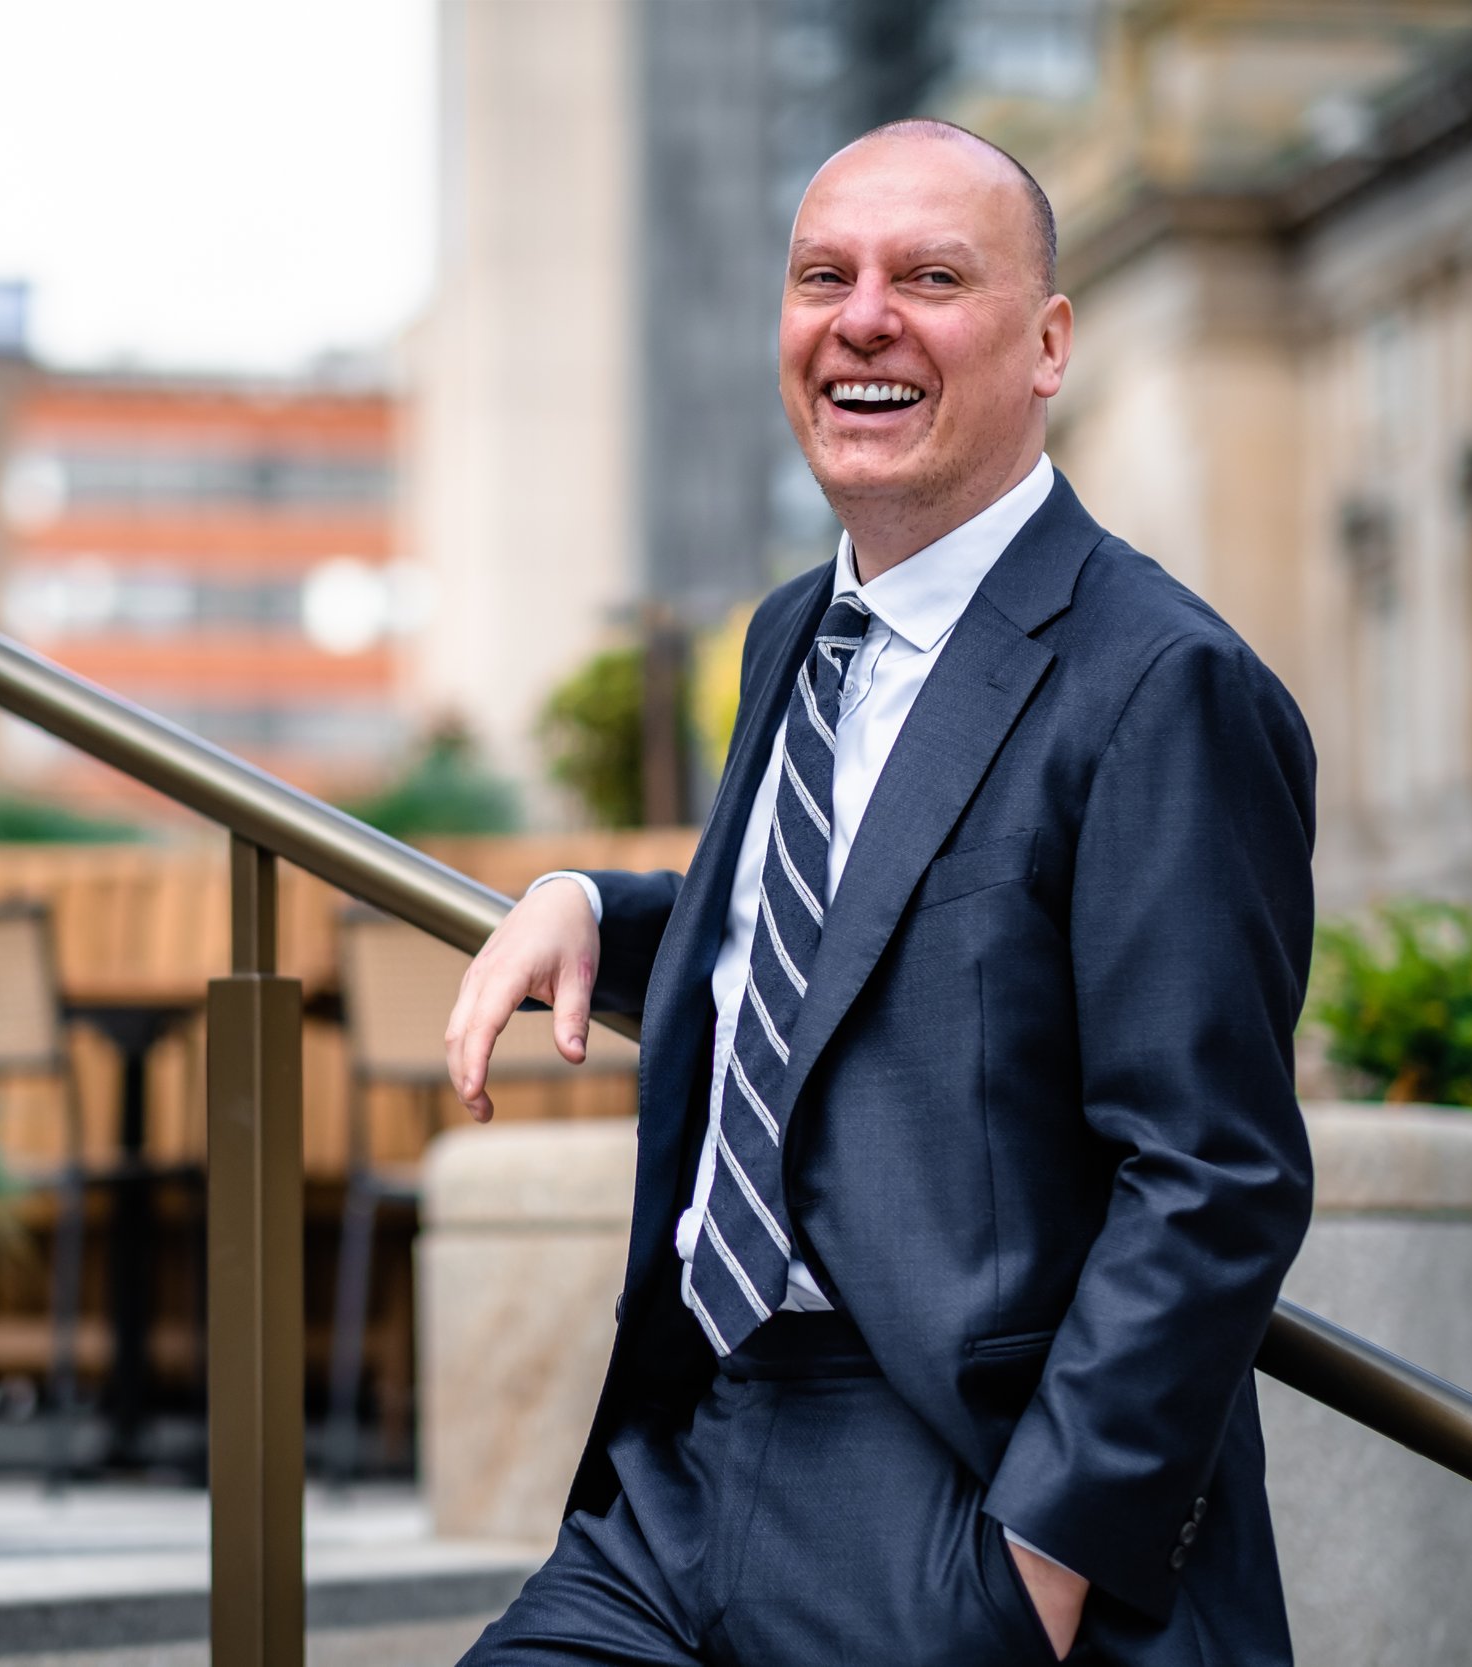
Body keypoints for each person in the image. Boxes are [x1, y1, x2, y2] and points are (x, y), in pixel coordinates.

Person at [442, 118, 1317, 1666]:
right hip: (683, 1462)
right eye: (822, 276)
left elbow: (1213, 1175)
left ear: (1048, 344)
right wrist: (601, 903)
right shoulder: (797, 630)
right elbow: (852, 930)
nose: (864, 318)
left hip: (952, 1483)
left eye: (931, 276)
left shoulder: (1165, 684)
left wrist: (1036, 1571)